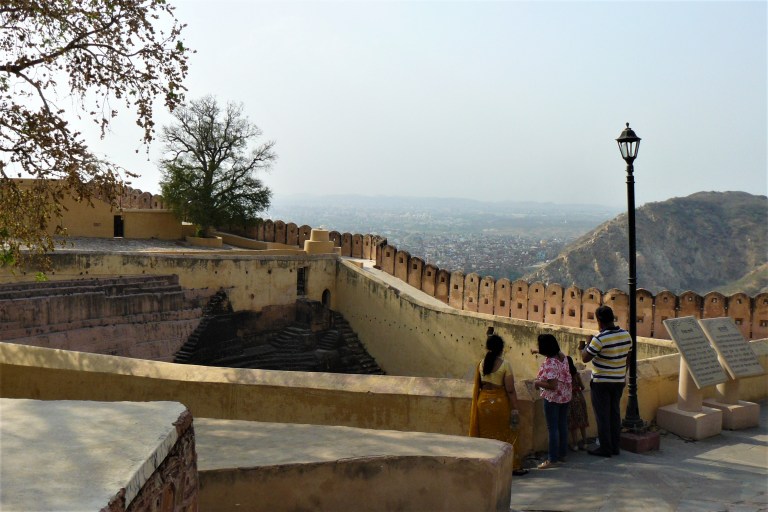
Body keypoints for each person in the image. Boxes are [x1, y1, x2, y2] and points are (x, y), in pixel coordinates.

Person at [469, 332, 528, 476]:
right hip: (499, 403)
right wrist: (515, 407)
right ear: (501, 349)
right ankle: (512, 466)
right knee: (507, 434)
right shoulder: (505, 365)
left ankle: (484, 463)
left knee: (485, 434)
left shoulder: (481, 364)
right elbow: (510, 390)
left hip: (482, 403)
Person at [578, 305, 632, 457]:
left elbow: (585, 357)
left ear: (599, 321)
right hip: (618, 381)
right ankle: (615, 447)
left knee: (602, 416)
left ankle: (605, 448)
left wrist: (585, 345)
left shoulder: (599, 339)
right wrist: (622, 373)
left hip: (601, 382)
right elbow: (628, 357)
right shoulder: (626, 335)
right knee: (614, 414)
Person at [533, 334, 571, 469]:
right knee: (562, 425)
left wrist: (537, 382)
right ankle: (563, 455)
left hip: (553, 398)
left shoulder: (550, 363)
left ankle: (552, 459)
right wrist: (537, 351)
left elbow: (553, 385)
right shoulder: (562, 357)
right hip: (565, 396)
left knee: (553, 428)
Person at [566, 355, 589, 451]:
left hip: (570, 399)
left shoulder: (565, 375)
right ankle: (585, 442)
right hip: (579, 398)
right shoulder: (577, 374)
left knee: (573, 423)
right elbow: (583, 387)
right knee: (582, 421)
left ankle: (575, 445)